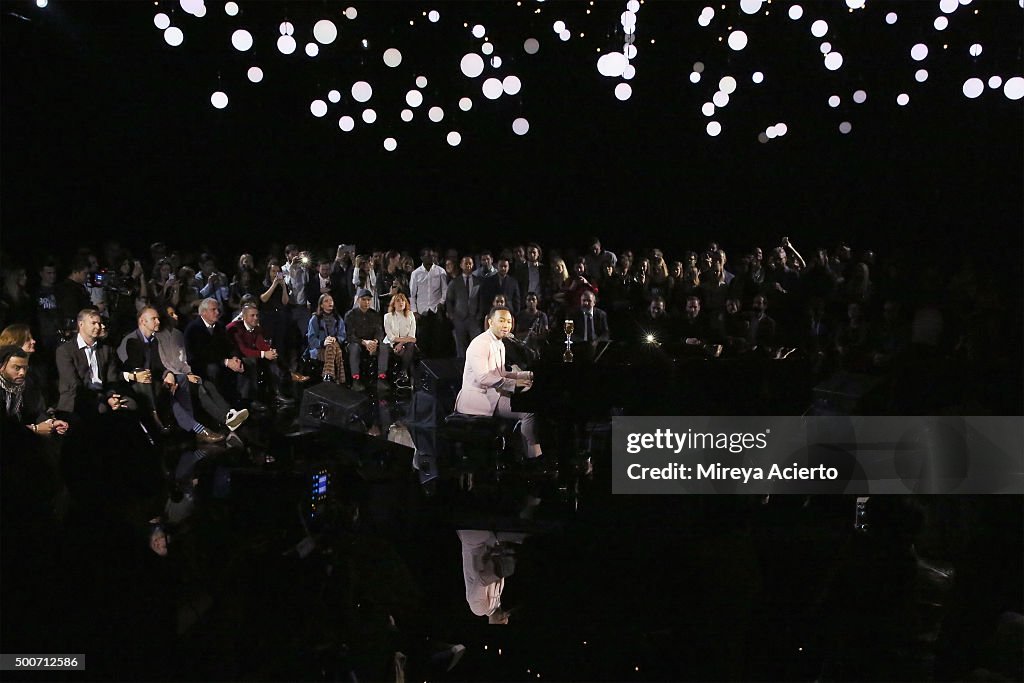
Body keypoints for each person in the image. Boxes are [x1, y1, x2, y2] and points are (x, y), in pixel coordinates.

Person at [121, 307, 225, 443]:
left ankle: (189, 425)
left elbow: (158, 365)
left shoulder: (153, 341)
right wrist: (161, 378)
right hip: (135, 383)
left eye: (158, 318)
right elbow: (132, 368)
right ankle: (197, 429)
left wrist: (168, 373)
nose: (158, 321)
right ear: (143, 321)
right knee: (163, 390)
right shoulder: (132, 340)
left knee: (180, 379)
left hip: (151, 378)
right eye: (154, 319)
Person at [455, 306, 542, 461]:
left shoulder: (500, 343)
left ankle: (523, 452)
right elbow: (484, 378)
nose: (506, 325)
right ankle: (534, 458)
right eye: (501, 321)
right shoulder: (480, 343)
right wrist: (515, 384)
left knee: (534, 402)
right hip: (479, 399)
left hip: (494, 394)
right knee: (528, 410)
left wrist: (527, 375)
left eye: (509, 321)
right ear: (490, 322)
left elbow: (501, 374)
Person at [55, 308, 136, 417]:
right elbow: (74, 385)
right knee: (100, 409)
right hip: (76, 398)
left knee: (130, 405)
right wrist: (104, 399)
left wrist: (111, 397)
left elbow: (112, 379)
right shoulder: (65, 350)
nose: (98, 327)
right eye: (93, 323)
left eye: (99, 323)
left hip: (104, 395)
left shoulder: (107, 349)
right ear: (81, 324)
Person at [226, 303, 293, 409]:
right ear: (244, 317)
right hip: (235, 357)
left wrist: (270, 351)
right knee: (251, 362)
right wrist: (263, 354)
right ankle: (252, 399)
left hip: (251, 354)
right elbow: (243, 350)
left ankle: (277, 393)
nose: (256, 318)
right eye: (252, 316)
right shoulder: (235, 328)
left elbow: (260, 344)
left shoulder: (256, 328)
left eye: (257, 315)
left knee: (272, 359)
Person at [344, 289, 388, 392]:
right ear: (358, 300)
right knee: (354, 348)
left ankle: (381, 378)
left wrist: (375, 342)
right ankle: (355, 380)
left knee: (384, 346)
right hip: (356, 343)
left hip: (372, 343)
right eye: (364, 300)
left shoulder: (375, 314)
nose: (367, 302)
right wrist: (364, 342)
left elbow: (379, 332)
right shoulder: (350, 315)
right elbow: (350, 335)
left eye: (369, 300)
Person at [446, 255, 482, 359]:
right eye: (466, 263)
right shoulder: (455, 282)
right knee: (460, 347)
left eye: (470, 263)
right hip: (459, 318)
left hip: (474, 318)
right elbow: (449, 300)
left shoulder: (478, 281)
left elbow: (481, 299)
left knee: (476, 345)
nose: (468, 265)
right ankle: (461, 370)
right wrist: (452, 315)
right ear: (461, 265)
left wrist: (479, 314)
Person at [306, 294, 346, 384]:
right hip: (320, 349)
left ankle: (328, 375)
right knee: (333, 348)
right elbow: (311, 339)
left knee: (332, 345)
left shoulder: (338, 318)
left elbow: (342, 336)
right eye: (326, 301)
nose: (330, 303)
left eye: (331, 300)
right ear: (321, 305)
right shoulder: (315, 319)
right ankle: (340, 378)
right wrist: (323, 342)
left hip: (334, 346)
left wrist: (335, 339)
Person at [383, 292, 417, 389]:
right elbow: (391, 337)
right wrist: (400, 342)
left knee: (410, 346)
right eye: (398, 301)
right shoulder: (388, 316)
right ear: (393, 304)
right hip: (392, 343)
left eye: (403, 301)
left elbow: (412, 336)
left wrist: (401, 343)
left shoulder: (410, 315)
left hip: (407, 343)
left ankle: (403, 371)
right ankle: (408, 375)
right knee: (409, 350)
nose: (401, 303)